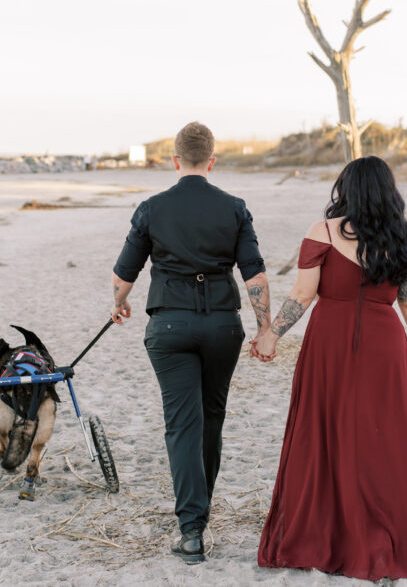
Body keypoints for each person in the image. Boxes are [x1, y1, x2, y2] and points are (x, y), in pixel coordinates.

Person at [253, 156, 407, 581]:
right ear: (388, 191)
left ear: (345, 189)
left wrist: (271, 334)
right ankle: (390, 534)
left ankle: (328, 536)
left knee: (325, 433)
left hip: (329, 346)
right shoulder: (404, 242)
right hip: (384, 346)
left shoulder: (323, 232)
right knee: (388, 439)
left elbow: (303, 293)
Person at [111, 122, 271, 564]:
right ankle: (199, 517)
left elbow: (124, 274)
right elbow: (254, 274)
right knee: (211, 418)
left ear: (175, 160)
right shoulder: (234, 207)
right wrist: (265, 329)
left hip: (169, 329)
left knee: (183, 423)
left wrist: (119, 304)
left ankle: (191, 530)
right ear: (211, 162)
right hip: (223, 327)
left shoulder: (151, 208)